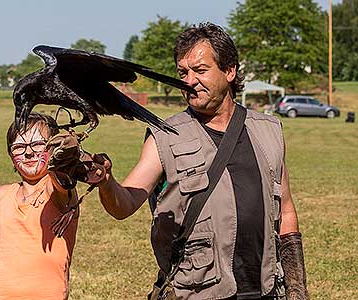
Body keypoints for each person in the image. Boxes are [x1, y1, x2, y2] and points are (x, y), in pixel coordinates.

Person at [94, 23, 308, 299]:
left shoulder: (268, 131)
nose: (190, 81)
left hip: (267, 289)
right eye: (183, 72)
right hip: (198, 291)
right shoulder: (165, 136)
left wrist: (297, 290)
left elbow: (286, 211)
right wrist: (105, 181)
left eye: (200, 70)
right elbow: (125, 204)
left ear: (229, 71)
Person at [0, 112, 79, 300]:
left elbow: (63, 182)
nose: (28, 152)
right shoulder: (2, 195)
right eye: (19, 147)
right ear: (11, 155)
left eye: (38, 145)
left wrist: (63, 159)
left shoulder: (57, 191)